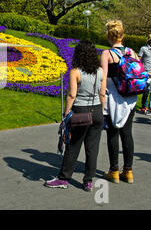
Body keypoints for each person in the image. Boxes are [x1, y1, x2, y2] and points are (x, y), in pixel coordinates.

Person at [44, 40, 106, 192]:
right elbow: (102, 93)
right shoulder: (100, 71)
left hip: (80, 111)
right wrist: (101, 110)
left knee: (73, 146)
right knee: (92, 148)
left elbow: (72, 94)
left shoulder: (75, 71)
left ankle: (63, 178)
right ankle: (88, 180)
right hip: (97, 110)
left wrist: (66, 112)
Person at [100, 20, 139, 184]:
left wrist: (101, 98)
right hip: (130, 97)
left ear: (109, 36)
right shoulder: (132, 52)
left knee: (113, 133)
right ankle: (128, 171)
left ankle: (114, 171)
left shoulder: (106, 54)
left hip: (114, 98)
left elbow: (103, 78)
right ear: (122, 35)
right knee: (127, 133)